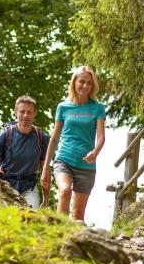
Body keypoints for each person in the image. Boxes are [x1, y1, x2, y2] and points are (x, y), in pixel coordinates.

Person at [41, 66, 106, 221]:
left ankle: (71, 242)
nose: (85, 86)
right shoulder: (63, 107)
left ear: (92, 86)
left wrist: (95, 152)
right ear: (74, 83)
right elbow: (55, 138)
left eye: (89, 83)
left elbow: (101, 136)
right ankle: (58, 235)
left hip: (86, 165)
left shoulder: (98, 108)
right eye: (81, 82)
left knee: (77, 216)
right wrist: (45, 168)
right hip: (64, 159)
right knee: (64, 190)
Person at [0, 95, 51, 207]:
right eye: (22, 111)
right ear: (15, 112)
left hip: (29, 188)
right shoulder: (4, 135)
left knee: (31, 217)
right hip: (6, 185)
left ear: (35, 114)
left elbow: (46, 171)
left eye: (29, 112)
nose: (25, 115)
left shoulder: (42, 138)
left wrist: (46, 199)